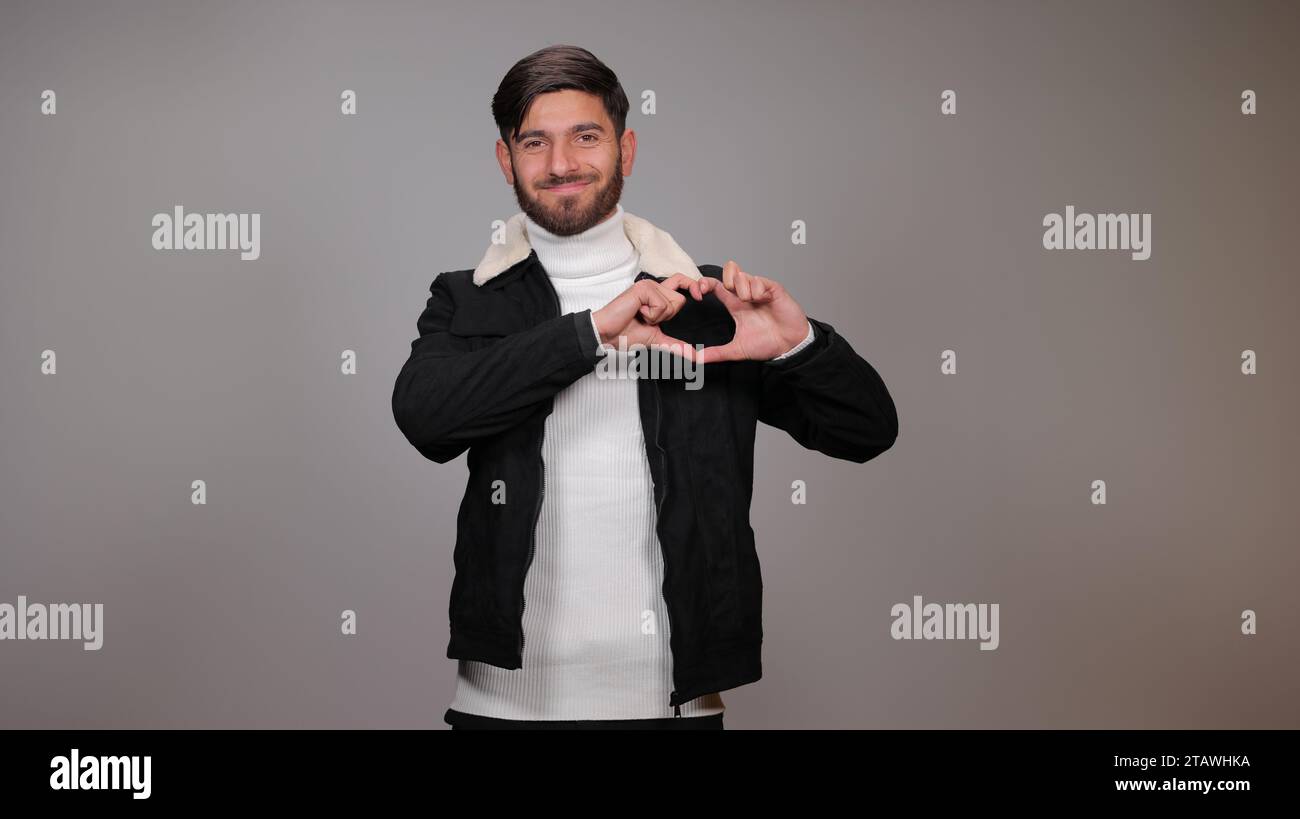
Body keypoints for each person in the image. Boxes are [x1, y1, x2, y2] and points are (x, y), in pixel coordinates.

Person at [391, 45, 898, 730]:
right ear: (506, 160)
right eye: (534, 142)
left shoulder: (709, 303)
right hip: (501, 707)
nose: (562, 163)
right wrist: (592, 332)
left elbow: (867, 430)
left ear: (626, 149)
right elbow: (427, 418)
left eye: (586, 136)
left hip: (674, 706)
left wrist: (797, 345)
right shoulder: (465, 299)